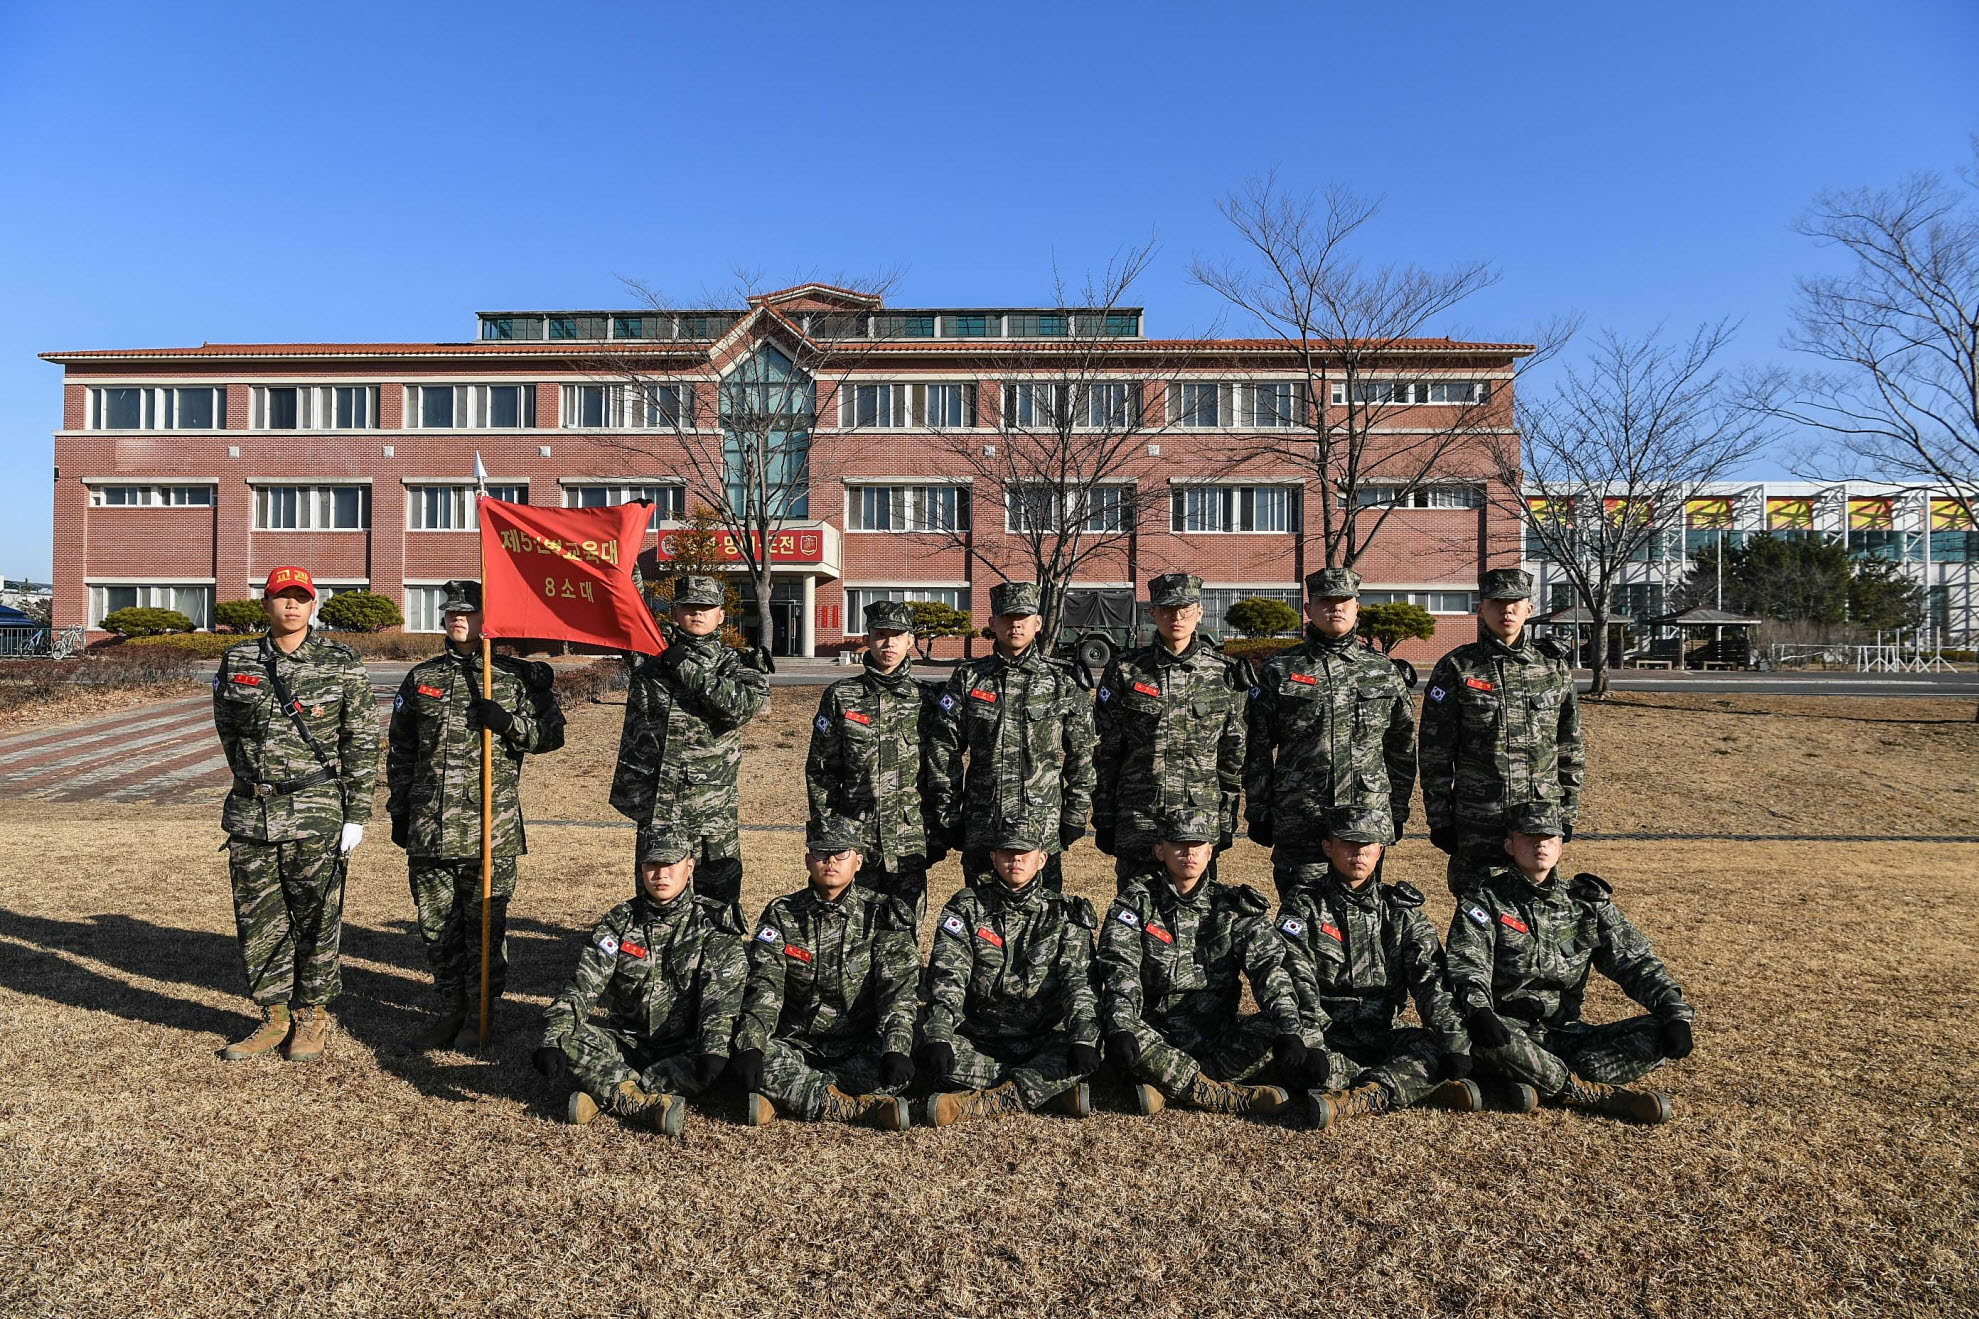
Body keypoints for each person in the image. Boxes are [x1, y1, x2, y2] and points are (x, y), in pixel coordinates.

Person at [386, 579, 565, 1048]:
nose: (458, 619)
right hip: (430, 826)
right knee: (437, 927)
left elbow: (552, 736)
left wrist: (509, 724)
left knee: (484, 930)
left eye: (468, 612)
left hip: (490, 826)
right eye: (451, 613)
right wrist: (399, 809)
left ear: (490, 617)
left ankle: (480, 1015)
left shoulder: (515, 677)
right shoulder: (421, 677)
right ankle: (449, 1008)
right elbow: (401, 748)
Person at [211, 566, 378, 1063]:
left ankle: (312, 1014)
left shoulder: (340, 660)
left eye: (300, 598)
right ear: (265, 605)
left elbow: (362, 739)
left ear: (313, 606)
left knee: (316, 914)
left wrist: (357, 813)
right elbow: (228, 728)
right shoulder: (240, 657)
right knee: (259, 917)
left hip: (315, 808)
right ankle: (273, 1015)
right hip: (252, 811)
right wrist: (250, 777)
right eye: (281, 597)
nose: (291, 606)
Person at [1443, 806, 1694, 1123]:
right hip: (1506, 1032)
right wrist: (1479, 1010)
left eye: (1549, 837)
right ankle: (1593, 1096)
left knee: (1656, 1033)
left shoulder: (1585, 902)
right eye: (1529, 837)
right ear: (1509, 846)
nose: (1540, 845)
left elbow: (1636, 961)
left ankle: (1533, 1081)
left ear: (1561, 845)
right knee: (1473, 1034)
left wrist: (1674, 1013)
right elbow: (1468, 967)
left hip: (1568, 1035)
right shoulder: (1484, 901)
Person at [1274, 813, 1480, 1128]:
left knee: (1444, 1047)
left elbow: (1430, 980)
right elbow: (1295, 977)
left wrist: (1452, 1039)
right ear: (1328, 847)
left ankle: (1360, 1094)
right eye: (1348, 844)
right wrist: (1312, 1042)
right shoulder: (1303, 904)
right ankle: (1413, 1086)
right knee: (1278, 1048)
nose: (1358, 853)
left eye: (1367, 845)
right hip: (1327, 1034)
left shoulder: (1400, 911)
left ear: (1380, 851)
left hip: (1381, 1033)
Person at [532, 838, 746, 1138]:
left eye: (669, 865)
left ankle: (609, 1090)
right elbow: (583, 985)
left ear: (689, 867)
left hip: (687, 1048)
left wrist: (712, 1049)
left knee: (726, 1055)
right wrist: (552, 1038)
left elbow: (721, 1001)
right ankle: (642, 1102)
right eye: (652, 866)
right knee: (568, 1039)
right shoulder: (620, 921)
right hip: (627, 1045)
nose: (661, 875)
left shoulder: (713, 922)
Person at [1097, 810, 1301, 1117]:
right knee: (1111, 1023)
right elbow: (1119, 969)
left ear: (1210, 851)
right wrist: (1124, 1025)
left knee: (1291, 1022)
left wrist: (1288, 1028)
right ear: (1159, 850)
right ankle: (1217, 1094)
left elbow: (1269, 970)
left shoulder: (1234, 906)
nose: (1188, 853)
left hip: (1219, 1036)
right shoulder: (1135, 904)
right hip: (1154, 1035)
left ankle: (1166, 1083)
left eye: (1197, 844)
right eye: (1178, 844)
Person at [729, 817, 920, 1130]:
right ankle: (860, 1109)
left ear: (857, 861)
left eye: (840, 853)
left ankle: (787, 1097)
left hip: (860, 1046)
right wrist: (752, 1044)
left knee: (903, 1060)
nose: (830, 860)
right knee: (751, 1057)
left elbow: (897, 993)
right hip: (796, 1046)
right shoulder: (782, 913)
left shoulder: (883, 915)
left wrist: (896, 1049)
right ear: (807, 860)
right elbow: (765, 987)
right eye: (820, 853)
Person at [1244, 567, 1416, 900]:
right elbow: (1257, 746)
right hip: (1301, 814)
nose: (1334, 608)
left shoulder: (1382, 670)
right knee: (1300, 910)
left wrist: (1398, 810)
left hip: (1366, 815)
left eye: (1342, 601)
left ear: (1356, 607)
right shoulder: (1280, 669)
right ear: (1308, 609)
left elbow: (1402, 747)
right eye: (1325, 601)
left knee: (1362, 910)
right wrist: (1259, 811)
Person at [918, 820, 1101, 1126]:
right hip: (979, 1037)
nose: (1015, 860)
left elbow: (1078, 982)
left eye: (1024, 853)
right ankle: (1047, 1090)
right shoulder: (966, 908)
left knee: (1097, 1040)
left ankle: (978, 1103)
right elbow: (947, 977)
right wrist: (938, 1035)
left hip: (1042, 1038)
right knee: (920, 1040)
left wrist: (1082, 1038)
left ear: (1041, 859)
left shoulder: (1065, 913)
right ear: (993, 857)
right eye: (1006, 852)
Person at [610, 574, 770, 912]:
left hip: (712, 808)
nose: (697, 613)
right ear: (675, 610)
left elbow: (740, 706)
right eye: (689, 606)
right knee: (656, 900)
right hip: (658, 803)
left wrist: (685, 665)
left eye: (706, 607)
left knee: (719, 904)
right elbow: (625, 604)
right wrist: (627, 556)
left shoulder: (737, 663)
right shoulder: (649, 652)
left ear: (721, 615)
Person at [1419, 567, 1584, 896]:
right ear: (1481, 608)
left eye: (1514, 603)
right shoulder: (1457, 667)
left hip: (1540, 820)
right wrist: (1440, 819)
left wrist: (1567, 813)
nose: (1506, 610)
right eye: (1496, 602)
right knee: (1477, 914)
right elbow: (1434, 752)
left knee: (1538, 912)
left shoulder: (1552, 669)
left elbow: (1569, 748)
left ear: (1529, 609)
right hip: (1479, 818)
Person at [928, 581, 1096, 892]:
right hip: (984, 822)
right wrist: (947, 812)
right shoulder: (969, 678)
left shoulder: (1062, 681)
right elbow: (944, 749)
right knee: (980, 917)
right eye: (1006, 617)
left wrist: (1075, 811)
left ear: (1038, 623)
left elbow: (1082, 754)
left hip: (1041, 825)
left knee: (1043, 918)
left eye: (1023, 616)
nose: (1015, 624)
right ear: (993, 623)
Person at [1092, 573, 1248, 888]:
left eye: (1185, 609)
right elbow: (1105, 751)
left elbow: (1233, 755)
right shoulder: (1125, 671)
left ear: (1200, 612)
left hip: (1198, 820)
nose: (1176, 617)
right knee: (1136, 914)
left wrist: (1227, 819)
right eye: (1166, 609)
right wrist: (1104, 816)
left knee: (1197, 914)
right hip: (1140, 815)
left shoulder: (1223, 675)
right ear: (1152, 613)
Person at [805, 598, 943, 926]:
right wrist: (830, 830)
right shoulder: (842, 696)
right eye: (880, 634)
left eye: (898, 635)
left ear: (911, 640)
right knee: (850, 928)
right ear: (867, 639)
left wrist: (937, 831)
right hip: (853, 837)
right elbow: (820, 769)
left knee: (903, 931)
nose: (889, 643)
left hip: (909, 837)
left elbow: (942, 769)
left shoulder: (929, 699)